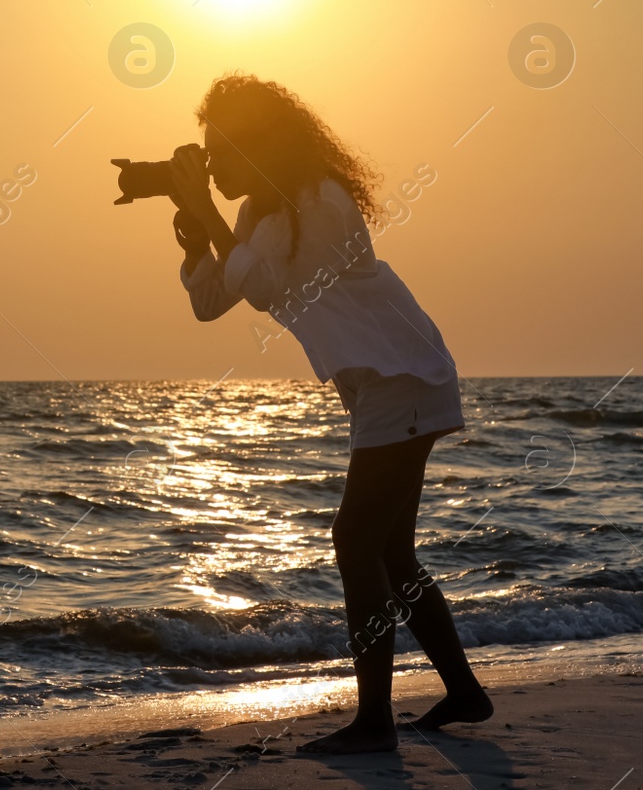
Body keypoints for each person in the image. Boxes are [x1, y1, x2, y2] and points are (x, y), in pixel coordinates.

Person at [167, 72, 492, 755]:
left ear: (258, 144)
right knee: (391, 552)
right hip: (388, 387)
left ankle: (376, 721)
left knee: (353, 540)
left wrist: (208, 211)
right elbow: (211, 299)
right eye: (207, 153)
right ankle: (463, 691)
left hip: (405, 378)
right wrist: (196, 234)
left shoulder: (320, 202)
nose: (214, 165)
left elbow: (262, 287)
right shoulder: (257, 214)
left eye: (222, 151)